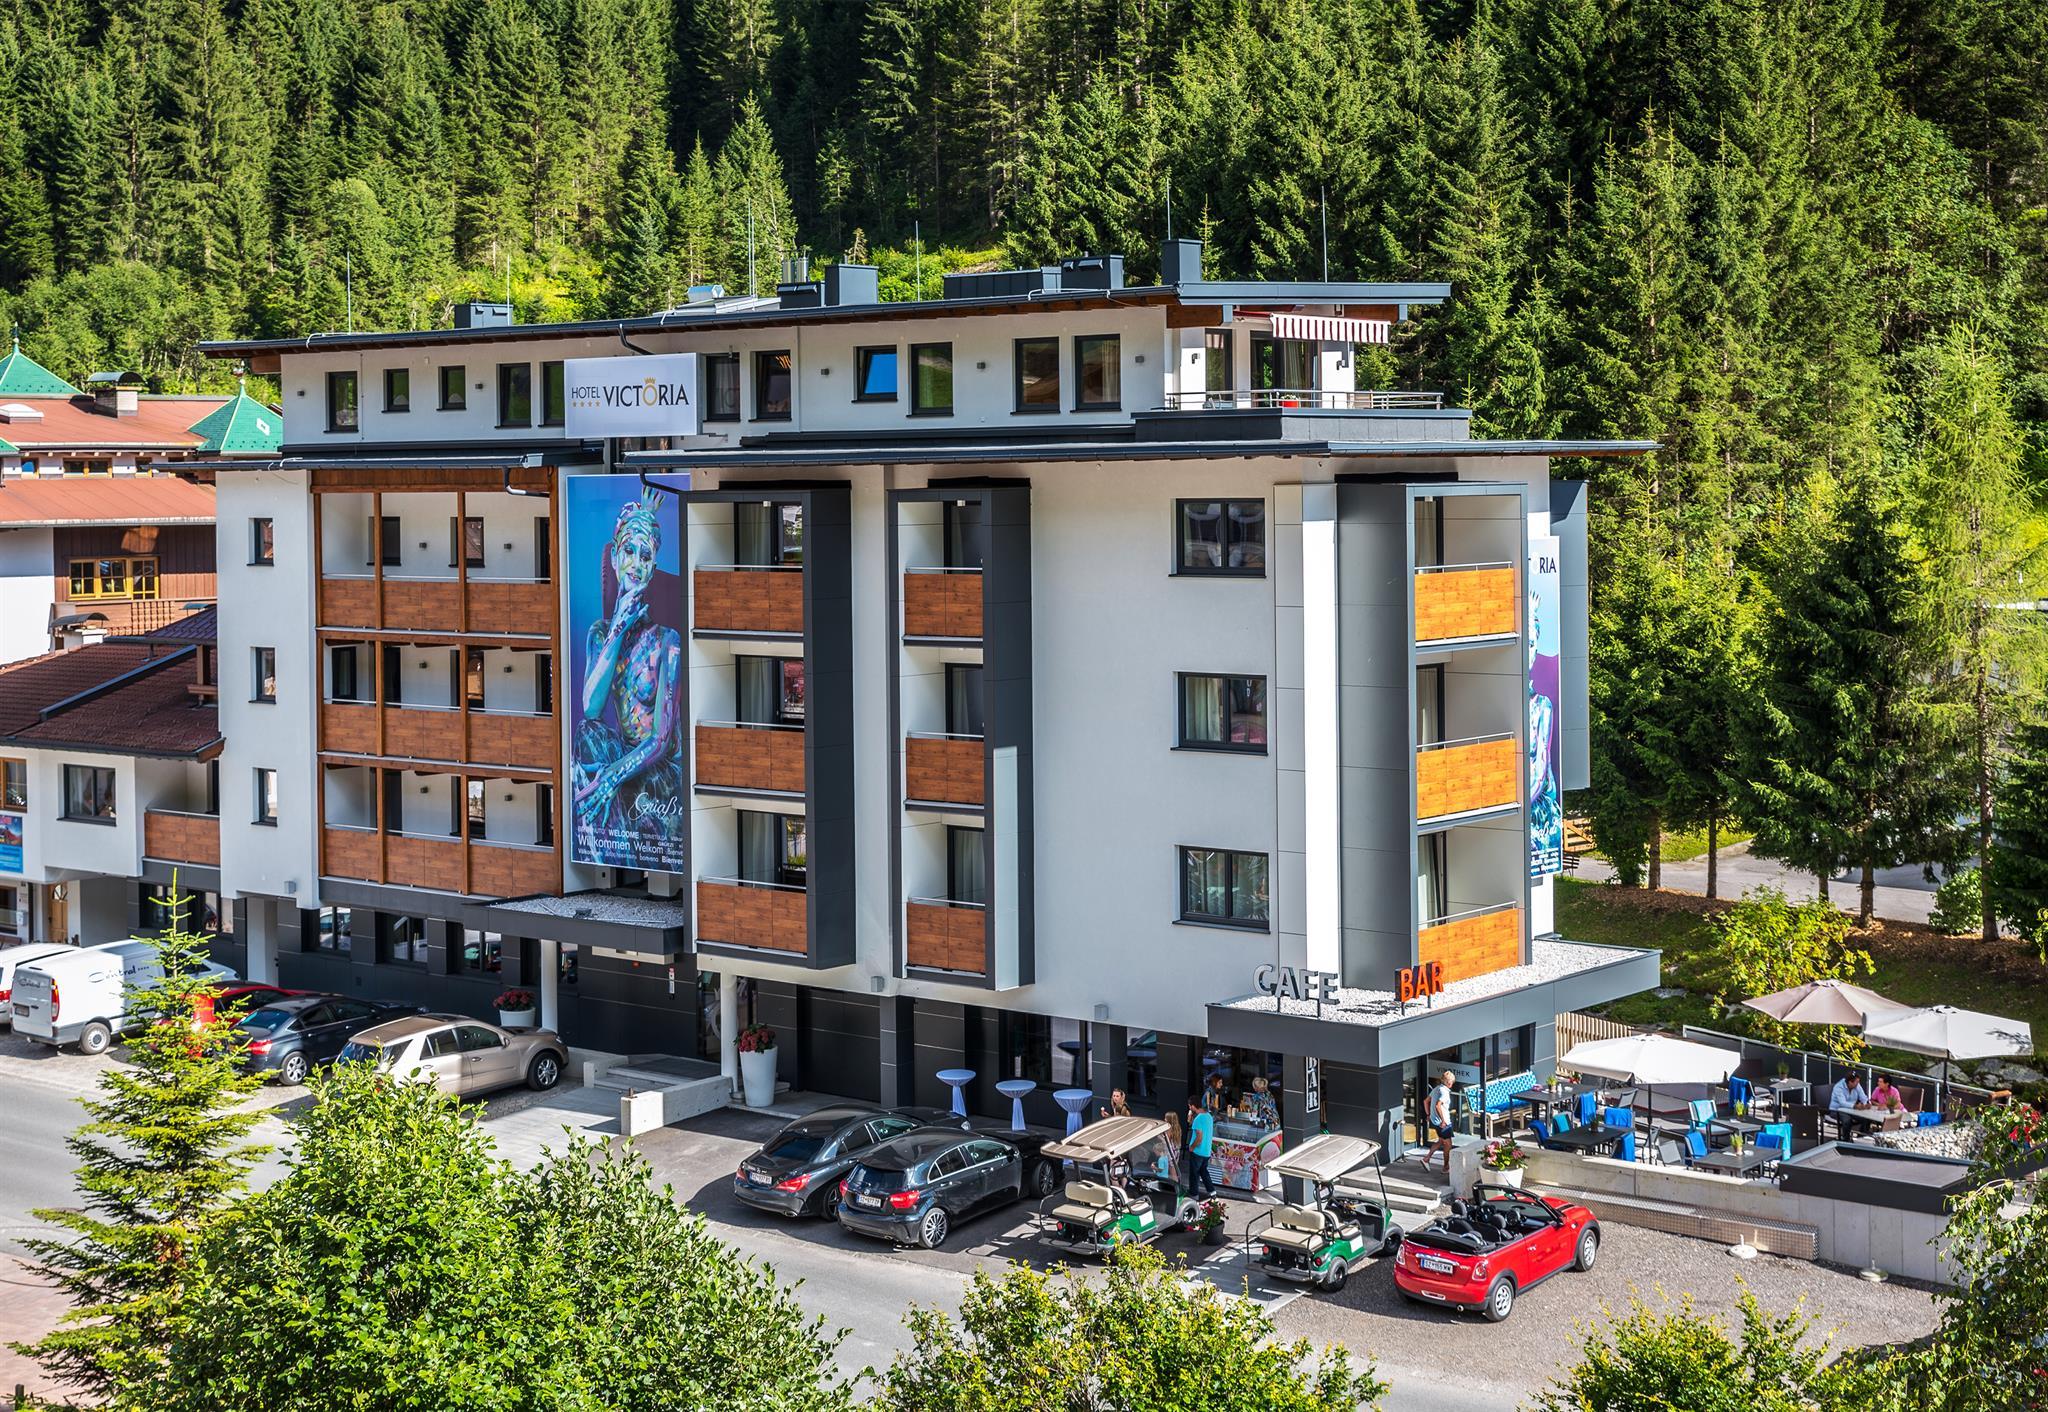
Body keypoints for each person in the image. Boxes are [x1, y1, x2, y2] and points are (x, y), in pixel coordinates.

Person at [1421, 1070, 1457, 1173]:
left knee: (1441, 1141)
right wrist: (1443, 1121)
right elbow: (1438, 1105)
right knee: (1448, 1144)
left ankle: (1426, 1159)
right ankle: (1445, 1167)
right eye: (1452, 1081)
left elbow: (1426, 1101)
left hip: (1435, 1121)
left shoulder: (1437, 1088)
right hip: (1443, 1123)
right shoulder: (1444, 1092)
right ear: (1449, 1082)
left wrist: (1428, 1115)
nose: (1452, 1083)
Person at [1184, 1094, 1217, 1197]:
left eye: (1190, 1106)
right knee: (1204, 1172)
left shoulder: (1198, 1119)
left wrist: (1192, 1147)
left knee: (1194, 1174)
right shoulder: (1209, 1116)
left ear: (1193, 1106)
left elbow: (1199, 1137)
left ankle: (1194, 1194)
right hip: (1206, 1151)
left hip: (1197, 1151)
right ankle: (1212, 1191)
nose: (1189, 1108)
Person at [1158, 1110, 1183, 1179]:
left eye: (1166, 1118)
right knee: (1173, 1168)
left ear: (1169, 1120)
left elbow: (1166, 1141)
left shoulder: (1168, 1129)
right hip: (1176, 1151)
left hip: (1170, 1151)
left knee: (1172, 1172)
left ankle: (1176, 1184)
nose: (1164, 1119)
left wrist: (1159, 1135)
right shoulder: (1178, 1128)